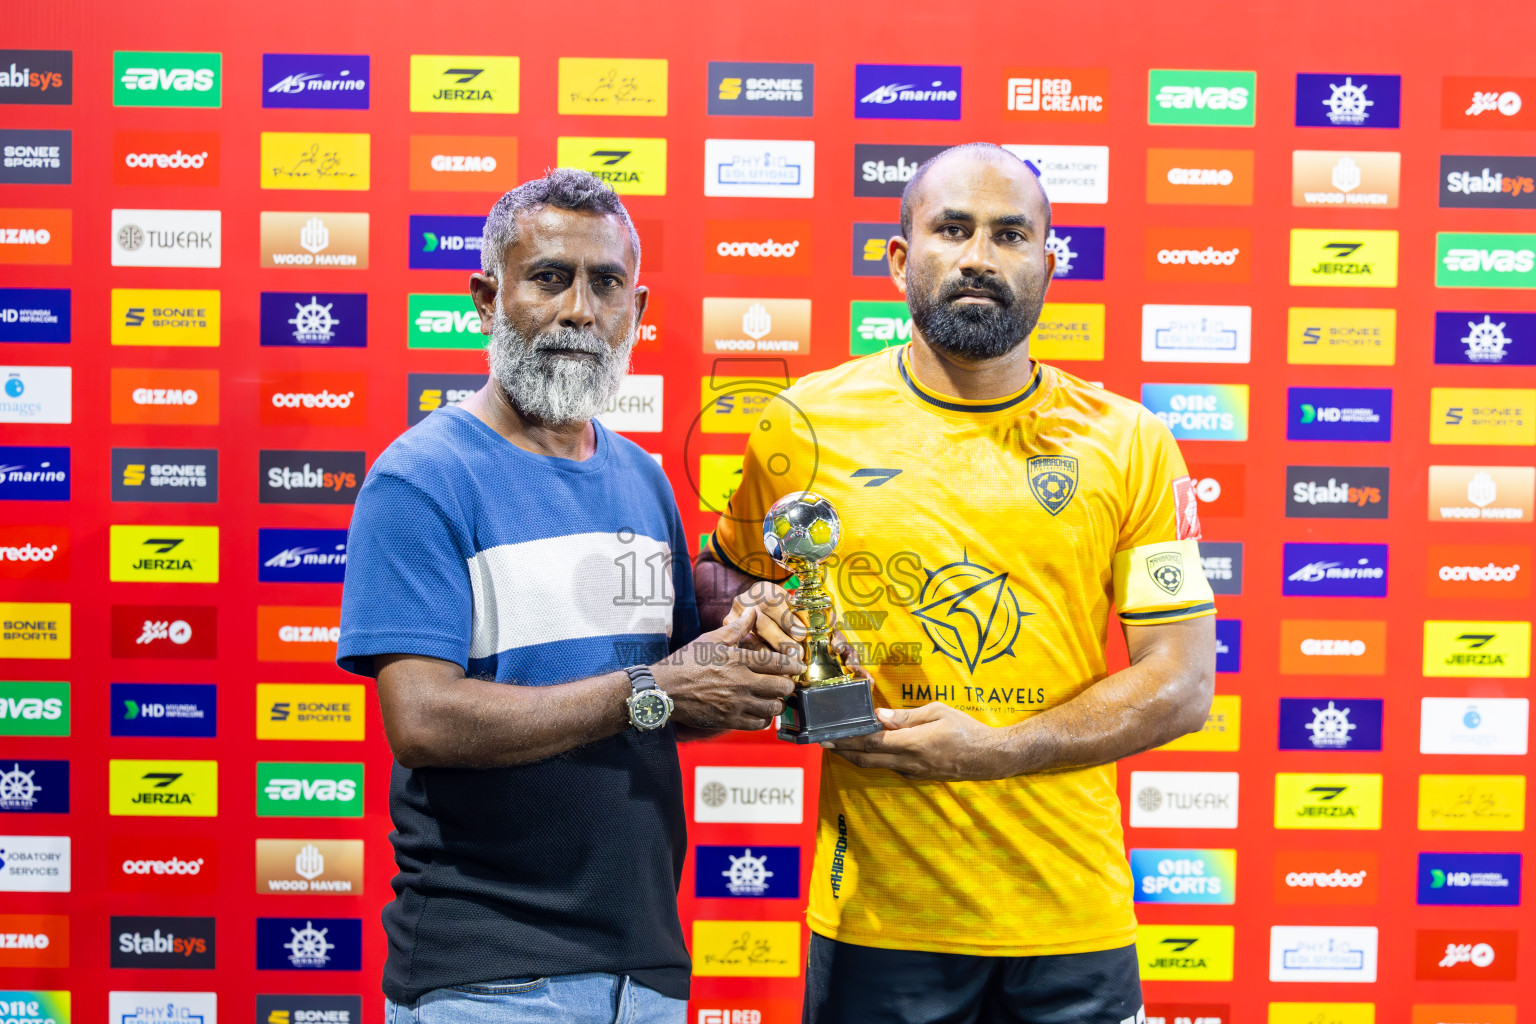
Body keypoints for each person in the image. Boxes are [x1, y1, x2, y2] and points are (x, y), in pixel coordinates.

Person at [696, 143, 1217, 1024]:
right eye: (953, 229)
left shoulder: (1131, 442)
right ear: (902, 258)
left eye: (1010, 234)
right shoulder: (804, 422)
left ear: (1049, 264)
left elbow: (1183, 683)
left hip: (1071, 918)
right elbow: (729, 586)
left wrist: (997, 750)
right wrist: (758, 624)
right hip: (877, 917)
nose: (979, 256)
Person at [337, 168, 802, 1023]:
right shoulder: (422, 477)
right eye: (549, 278)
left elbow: (660, 709)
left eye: (605, 284)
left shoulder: (642, 479)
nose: (579, 311)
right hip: (486, 979)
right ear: (487, 299)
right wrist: (658, 690)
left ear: (639, 310)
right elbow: (424, 721)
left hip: (648, 968)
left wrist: (747, 669)